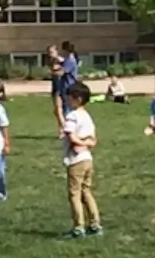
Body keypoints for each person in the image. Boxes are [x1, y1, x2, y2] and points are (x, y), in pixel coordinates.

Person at [62, 82, 101, 239]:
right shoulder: (87, 116)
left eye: (69, 97)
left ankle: (79, 227)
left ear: (77, 99)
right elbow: (93, 139)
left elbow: (71, 136)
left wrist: (78, 144)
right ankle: (95, 223)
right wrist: (87, 143)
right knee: (86, 191)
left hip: (76, 160)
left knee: (75, 194)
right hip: (88, 160)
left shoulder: (72, 116)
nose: (67, 100)